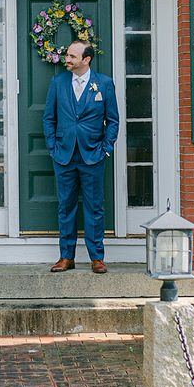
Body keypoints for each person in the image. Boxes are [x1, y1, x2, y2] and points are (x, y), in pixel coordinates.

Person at [43, 40, 119, 274]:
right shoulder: (58, 82)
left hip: (93, 156)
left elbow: (113, 120)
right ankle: (67, 257)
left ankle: (97, 257)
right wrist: (53, 147)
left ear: (86, 60)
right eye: (67, 55)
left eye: (72, 56)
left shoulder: (103, 84)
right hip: (64, 156)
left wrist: (106, 148)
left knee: (94, 207)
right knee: (66, 207)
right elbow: (49, 118)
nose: (67, 59)